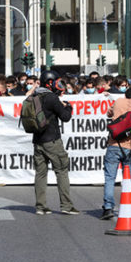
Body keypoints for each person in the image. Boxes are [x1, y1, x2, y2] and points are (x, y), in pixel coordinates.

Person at [30, 71, 78, 215]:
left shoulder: (34, 96)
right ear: (50, 83)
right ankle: (66, 206)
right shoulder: (51, 98)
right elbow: (65, 117)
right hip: (52, 140)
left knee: (40, 174)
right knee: (62, 171)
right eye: (56, 82)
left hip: (37, 141)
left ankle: (40, 207)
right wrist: (68, 106)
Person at [101, 87, 131, 220]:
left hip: (113, 144)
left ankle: (108, 207)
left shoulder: (118, 101)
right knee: (129, 178)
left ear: (125, 95)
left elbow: (109, 114)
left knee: (110, 177)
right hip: (129, 146)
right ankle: (130, 204)